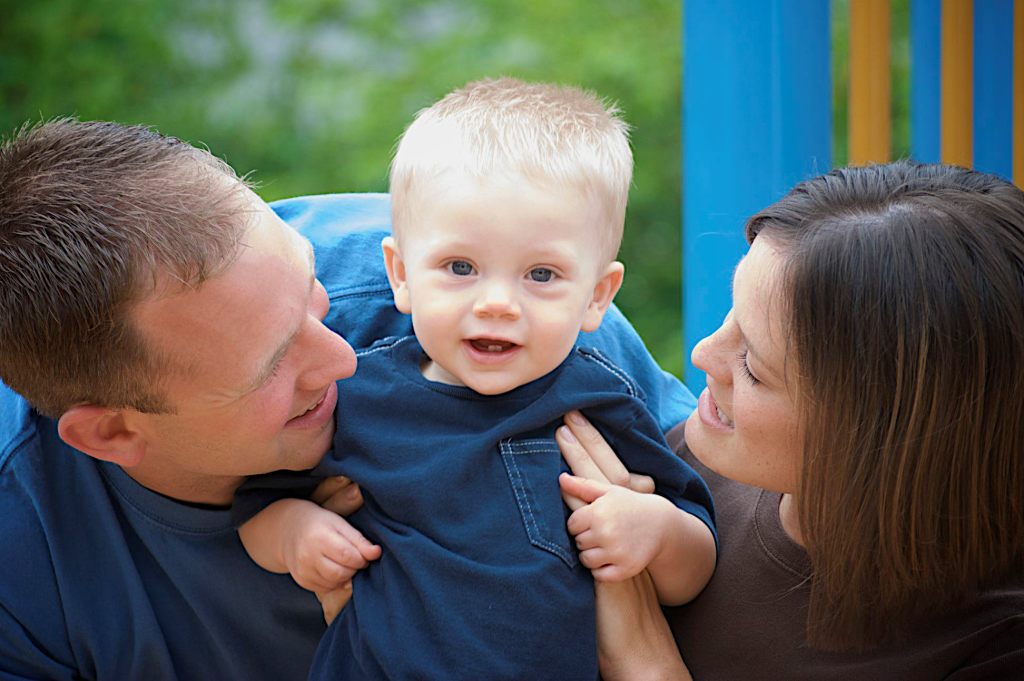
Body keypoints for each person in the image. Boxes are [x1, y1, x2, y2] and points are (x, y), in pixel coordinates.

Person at [0, 118, 696, 680]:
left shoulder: (486, 286)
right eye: (272, 364)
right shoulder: (23, 562)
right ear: (112, 433)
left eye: (311, 290)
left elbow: (726, 496)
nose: (343, 360)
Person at [238, 77, 716, 681]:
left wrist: (656, 531)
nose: (496, 303)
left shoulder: (597, 401)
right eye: (460, 267)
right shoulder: (356, 396)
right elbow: (255, 511)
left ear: (597, 296)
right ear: (401, 274)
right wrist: (295, 532)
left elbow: (695, 565)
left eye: (541, 275)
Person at [557, 160, 1024, 679]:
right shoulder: (680, 466)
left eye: (752, 368)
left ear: (883, 432)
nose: (703, 354)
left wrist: (642, 657)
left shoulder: (992, 646)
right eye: (731, 317)